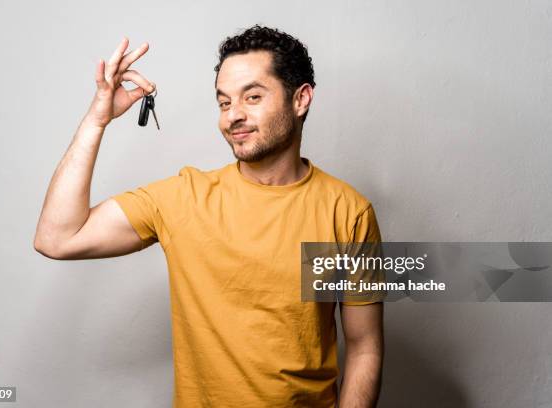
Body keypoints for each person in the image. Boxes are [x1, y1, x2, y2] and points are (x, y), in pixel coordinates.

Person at [34, 24, 384, 408]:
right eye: (224, 102)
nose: (233, 115)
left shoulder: (348, 212)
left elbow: (365, 347)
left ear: (300, 99)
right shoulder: (184, 198)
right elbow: (57, 238)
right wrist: (96, 120)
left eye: (252, 97)